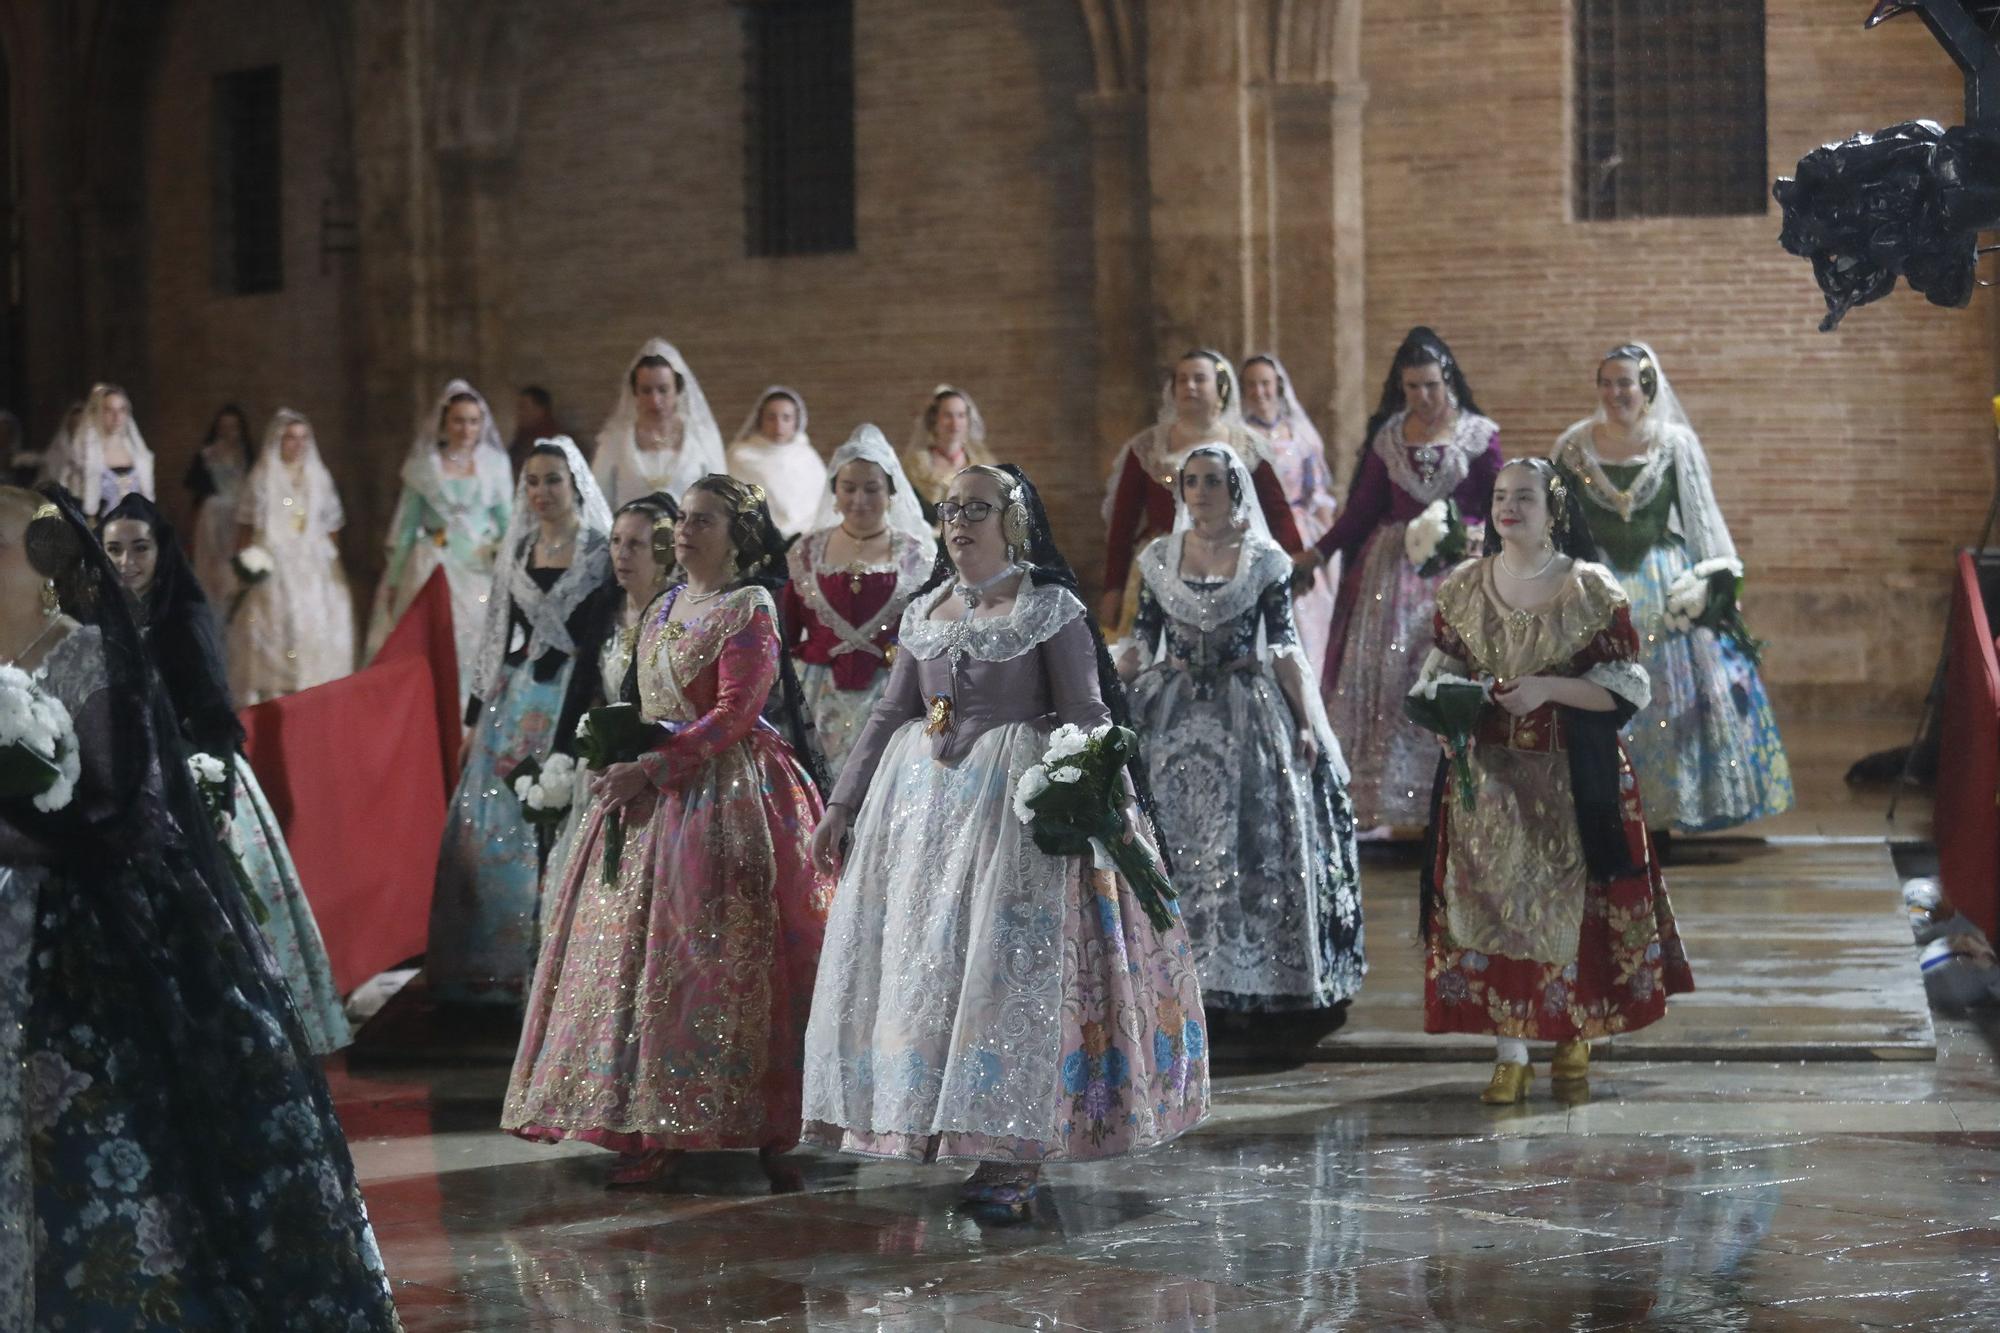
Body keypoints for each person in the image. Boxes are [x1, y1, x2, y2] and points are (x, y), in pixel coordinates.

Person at [0, 486, 398, 1328]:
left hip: (88, 926)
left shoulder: (88, 656)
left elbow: (127, 807)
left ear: (39, 568)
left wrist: (23, 818)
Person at [803, 464, 1209, 1217]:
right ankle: (943, 1127)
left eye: (977, 509)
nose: (960, 521)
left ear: (1012, 520)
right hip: (923, 816)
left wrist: (1087, 794)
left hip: (1017, 816)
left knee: (1005, 981)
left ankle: (1012, 1150)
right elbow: (892, 713)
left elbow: (1087, 708)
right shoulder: (927, 611)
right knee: (938, 976)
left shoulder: (1049, 608)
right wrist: (842, 805)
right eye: (950, 508)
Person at [503, 475, 832, 1189]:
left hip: (727, 793)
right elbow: (647, 700)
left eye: (703, 520)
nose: (684, 530)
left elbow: (737, 712)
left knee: (726, 955)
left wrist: (656, 764)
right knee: (639, 960)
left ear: (736, 534)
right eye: (682, 518)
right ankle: (652, 1119)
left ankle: (773, 1120)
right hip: (651, 798)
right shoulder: (664, 604)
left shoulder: (750, 607)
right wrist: (621, 753)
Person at [1415, 459, 1694, 1104]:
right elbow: (1438, 672)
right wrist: (1441, 712)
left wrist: (1547, 689)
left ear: (1554, 510)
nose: (1510, 507)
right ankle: (1509, 1054)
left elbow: (1630, 687)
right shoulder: (1462, 586)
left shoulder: (1589, 588)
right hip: (1487, 782)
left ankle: (1576, 1036)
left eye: (1525, 498)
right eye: (1501, 496)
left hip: (1573, 776)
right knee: (1491, 912)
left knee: (1574, 909)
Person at [99, 493, 352, 1054]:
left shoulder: (182, 616)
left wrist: (218, 800)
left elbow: (213, 713)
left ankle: (249, 1034)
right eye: (113, 549)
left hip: (197, 777)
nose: (126, 562)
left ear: (163, 551)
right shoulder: (99, 618)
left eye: (140, 548)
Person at [1120, 445, 1365, 1021]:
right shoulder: (1157, 558)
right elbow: (1139, 640)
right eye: (1191, 482)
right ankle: (1170, 972)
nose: (1200, 492)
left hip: (1243, 707)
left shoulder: (1265, 560)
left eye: (1212, 482)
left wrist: (1304, 723)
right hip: (1170, 708)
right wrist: (1108, 696)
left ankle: (1245, 973)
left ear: (1234, 489)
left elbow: (1282, 644)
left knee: (1246, 834)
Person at [1551, 343, 1794, 836]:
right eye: (1607, 382)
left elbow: (1701, 516)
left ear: (1647, 388)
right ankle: (1598, 806)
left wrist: (1716, 580)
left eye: (1626, 383)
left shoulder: (1674, 444)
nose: (1616, 393)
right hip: (1594, 587)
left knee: (1666, 695)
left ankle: (1664, 807)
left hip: (1662, 584)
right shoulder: (1573, 445)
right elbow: (1557, 522)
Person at [428, 437, 612, 1006]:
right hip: (516, 700)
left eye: (552, 480)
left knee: (562, 814)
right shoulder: (518, 549)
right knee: (496, 820)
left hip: (574, 694)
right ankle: (496, 966)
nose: (541, 492)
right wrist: (474, 719)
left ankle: (564, 957)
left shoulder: (602, 549)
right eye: (532, 481)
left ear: (575, 484)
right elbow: (493, 637)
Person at [1295, 327, 1503, 831]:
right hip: (1392, 577)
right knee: (1391, 676)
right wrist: (1318, 554)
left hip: (1461, 570)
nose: (1423, 397)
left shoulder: (1478, 435)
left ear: (1447, 378)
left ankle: (1466, 796)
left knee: (1452, 670)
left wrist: (1482, 542)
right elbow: (1361, 513)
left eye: (1431, 385)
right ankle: (1398, 805)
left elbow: (1499, 501)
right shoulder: (1389, 439)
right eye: (1412, 387)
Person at [1100, 350, 1304, 636]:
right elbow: (1123, 523)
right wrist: (1114, 587)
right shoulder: (1148, 447)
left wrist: (1296, 561)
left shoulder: (1246, 445)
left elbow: (1276, 509)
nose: (1189, 386)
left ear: (1220, 387)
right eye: (1182, 380)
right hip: (1159, 571)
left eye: (1199, 379)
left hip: (1230, 567)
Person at [779, 424, 936, 775]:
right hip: (816, 693)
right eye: (848, 488)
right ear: (834, 492)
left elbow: (929, 627)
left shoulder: (916, 554)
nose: (859, 499)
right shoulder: (807, 551)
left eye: (872, 488)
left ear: (890, 492)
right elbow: (786, 630)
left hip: (890, 692)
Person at [363, 379, 514, 705]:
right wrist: (393, 580)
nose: (466, 429)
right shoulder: (424, 468)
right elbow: (406, 529)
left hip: (478, 567)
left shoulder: (494, 467)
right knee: (431, 644)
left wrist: (505, 556)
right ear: (444, 422)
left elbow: (507, 522)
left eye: (473, 421)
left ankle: (472, 711)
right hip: (434, 563)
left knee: (477, 642)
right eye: (459, 420)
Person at [226, 409, 356, 705]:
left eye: (302, 439)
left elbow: (331, 524)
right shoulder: (264, 475)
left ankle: (312, 680)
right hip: (274, 557)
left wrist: (330, 562)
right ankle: (273, 686)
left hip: (312, 559)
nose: (297, 445)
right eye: (290, 438)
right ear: (279, 441)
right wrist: (246, 562)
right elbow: (246, 525)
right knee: (275, 619)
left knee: (315, 618)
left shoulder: (318, 476)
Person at [1243, 354, 1341, 674]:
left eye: (1265, 383)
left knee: (1310, 614)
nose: (1259, 391)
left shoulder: (1300, 435)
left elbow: (1319, 494)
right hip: (1256, 530)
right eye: (1252, 385)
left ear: (1278, 387)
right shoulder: (1240, 437)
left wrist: (1328, 547)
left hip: (1300, 528)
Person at [593, 338, 727, 508]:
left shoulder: (703, 438)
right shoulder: (614, 441)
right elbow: (599, 502)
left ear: (677, 390)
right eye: (646, 391)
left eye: (663, 390)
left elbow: (721, 502)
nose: (655, 400)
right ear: (635, 392)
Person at [726, 386, 826, 539]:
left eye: (786, 418)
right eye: (771, 417)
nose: (778, 425)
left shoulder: (807, 456)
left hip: (808, 538)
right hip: (758, 539)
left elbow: (823, 501)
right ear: (760, 419)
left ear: (796, 421)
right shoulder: (741, 456)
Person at [44, 382, 154, 517]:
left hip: (137, 527)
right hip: (98, 529)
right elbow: (70, 497)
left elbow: (147, 498)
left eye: (121, 410)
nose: (116, 417)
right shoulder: (82, 456)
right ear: (97, 413)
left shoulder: (139, 455)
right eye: (109, 410)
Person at [184, 403, 256, 606]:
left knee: (235, 570)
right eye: (224, 426)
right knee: (211, 570)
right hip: (212, 519)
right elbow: (196, 497)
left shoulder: (248, 455)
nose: (228, 431)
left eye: (233, 426)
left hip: (239, 520)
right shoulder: (207, 455)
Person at [900, 384, 993, 512]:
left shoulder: (984, 463)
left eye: (961, 415)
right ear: (934, 420)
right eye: (948, 415)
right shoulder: (914, 465)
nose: (955, 423)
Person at [510, 384, 562, 474]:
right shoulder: (521, 438)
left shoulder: (554, 440)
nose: (519, 413)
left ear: (541, 410)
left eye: (523, 407)